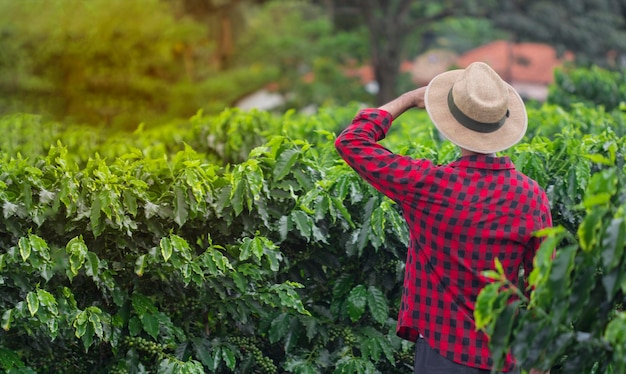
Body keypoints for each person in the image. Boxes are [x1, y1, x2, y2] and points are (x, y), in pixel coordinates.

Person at [334, 62, 552, 373]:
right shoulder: (531, 196)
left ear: (451, 123)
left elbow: (351, 142)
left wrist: (408, 99)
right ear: (500, 126)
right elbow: (543, 286)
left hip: (442, 352)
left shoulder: (427, 186)